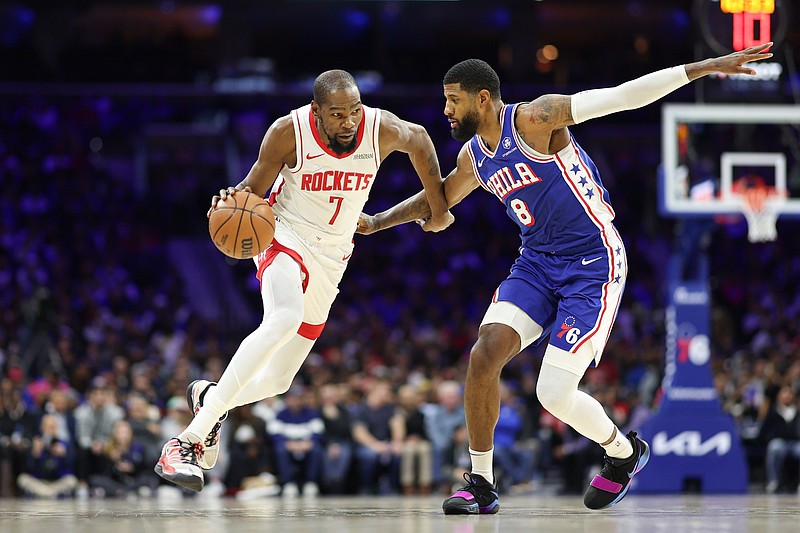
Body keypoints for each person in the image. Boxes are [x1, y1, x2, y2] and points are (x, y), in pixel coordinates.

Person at [357, 43, 774, 513]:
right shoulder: (474, 157)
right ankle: (481, 484)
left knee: (552, 393)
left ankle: (623, 453)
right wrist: (376, 222)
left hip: (593, 262)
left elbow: (623, 96)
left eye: (453, 100)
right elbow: (439, 199)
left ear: (482, 98)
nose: (446, 110)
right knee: (484, 353)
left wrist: (705, 67)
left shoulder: (537, 119)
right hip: (536, 263)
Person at [155, 69, 454, 492]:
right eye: (337, 114)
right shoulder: (288, 131)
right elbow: (253, 189)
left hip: (333, 254)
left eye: (354, 111)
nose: (349, 122)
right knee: (283, 318)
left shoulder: (379, 128)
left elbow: (420, 139)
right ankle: (185, 442)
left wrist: (438, 209)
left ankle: (210, 398)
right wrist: (230, 198)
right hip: (285, 233)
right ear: (316, 111)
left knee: (279, 380)